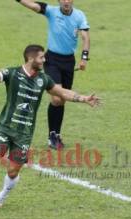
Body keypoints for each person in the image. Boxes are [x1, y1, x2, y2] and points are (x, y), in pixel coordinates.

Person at [0, 45, 99, 213]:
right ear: (30, 59)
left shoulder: (44, 80)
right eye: (41, 57)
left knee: (13, 172)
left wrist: (84, 98)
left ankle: (1, 197)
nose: (44, 60)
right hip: (5, 128)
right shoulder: (13, 73)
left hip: (24, 134)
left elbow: (62, 93)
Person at [16, 0, 90, 149]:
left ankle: (56, 135)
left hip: (69, 61)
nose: (66, 2)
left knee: (62, 99)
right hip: (52, 60)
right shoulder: (51, 11)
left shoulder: (79, 15)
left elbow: (85, 37)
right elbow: (34, 5)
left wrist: (84, 58)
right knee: (56, 97)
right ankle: (52, 136)